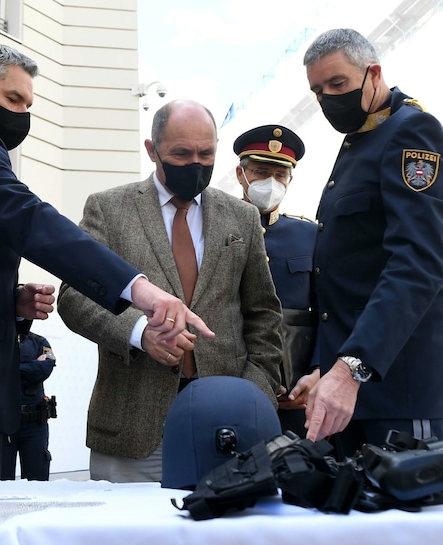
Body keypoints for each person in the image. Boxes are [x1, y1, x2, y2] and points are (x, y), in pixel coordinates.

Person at [0, 43, 213, 481]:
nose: (22, 114)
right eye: (13, 100)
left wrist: (8, 301)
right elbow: (29, 219)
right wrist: (138, 288)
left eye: (28, 104)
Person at [57, 99, 283, 483]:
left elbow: (264, 316)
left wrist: (252, 395)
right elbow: (74, 296)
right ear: (152, 150)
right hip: (133, 431)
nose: (196, 163)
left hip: (227, 427)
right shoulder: (109, 209)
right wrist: (139, 333)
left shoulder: (241, 217)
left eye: (206, 153)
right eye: (181, 153)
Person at [302, 28, 443, 457]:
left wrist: (351, 368)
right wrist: (327, 365)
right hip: (348, 389)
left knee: (412, 521)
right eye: (318, 91)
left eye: (338, 84)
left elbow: (418, 263)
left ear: (374, 74)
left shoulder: (413, 133)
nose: (328, 99)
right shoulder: (361, 141)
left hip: (399, 390)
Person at [232, 124, 319, 438]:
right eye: (260, 171)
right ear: (241, 174)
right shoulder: (214, 232)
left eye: (280, 174)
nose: (271, 182)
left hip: (299, 392)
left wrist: (318, 374)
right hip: (236, 386)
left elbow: (328, 313)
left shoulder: (310, 236)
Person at [1, 321, 57, 481]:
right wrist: (33, 365)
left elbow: (45, 368)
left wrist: (11, 369)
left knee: (38, 481)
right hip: (4, 425)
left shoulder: (40, 342)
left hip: (35, 425)